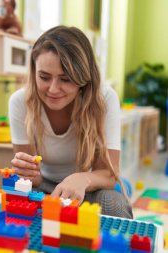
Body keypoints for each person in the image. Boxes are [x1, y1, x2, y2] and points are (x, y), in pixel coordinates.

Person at [9, 25, 132, 218]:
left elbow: (108, 174)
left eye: (66, 79)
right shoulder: (20, 102)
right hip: (44, 187)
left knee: (113, 203)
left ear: (83, 77)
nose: (53, 89)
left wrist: (82, 179)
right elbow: (31, 179)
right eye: (44, 77)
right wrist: (28, 174)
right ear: (34, 72)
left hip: (87, 187)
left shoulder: (104, 99)